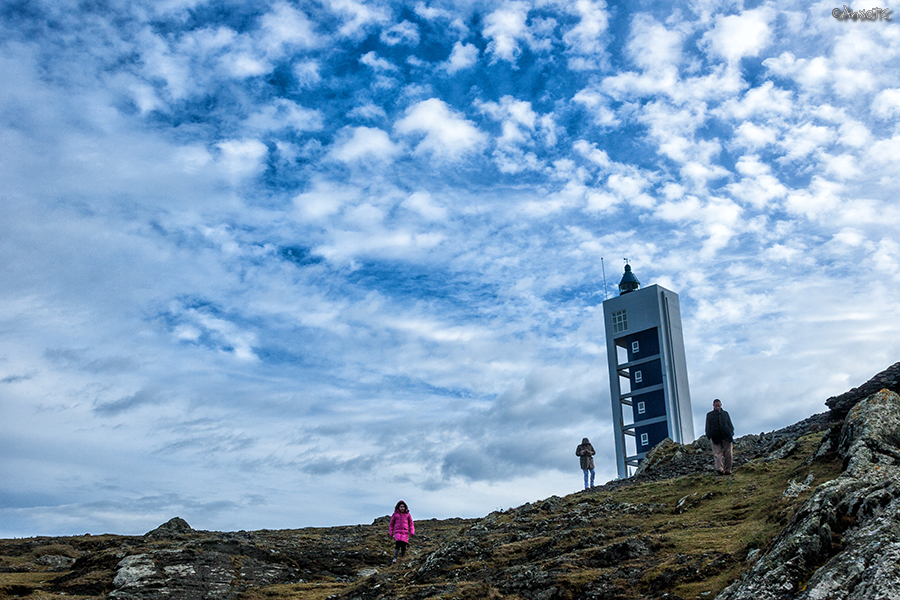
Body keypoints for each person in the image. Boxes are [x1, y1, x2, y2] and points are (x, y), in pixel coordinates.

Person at [705, 398, 735, 475]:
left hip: (726, 436)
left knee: (728, 453)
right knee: (717, 454)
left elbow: (729, 424)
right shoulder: (710, 415)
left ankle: (728, 469)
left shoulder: (725, 414)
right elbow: (707, 426)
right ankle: (720, 469)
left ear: (721, 405)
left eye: (718, 404)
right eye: (716, 405)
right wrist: (709, 435)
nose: (717, 406)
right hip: (715, 437)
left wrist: (731, 433)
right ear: (713, 405)